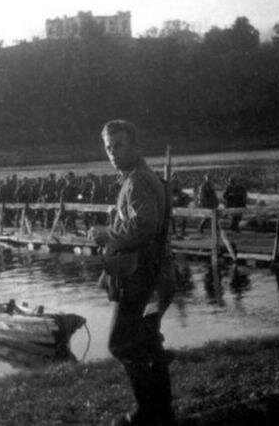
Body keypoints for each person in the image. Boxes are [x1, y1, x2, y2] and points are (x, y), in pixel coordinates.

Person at [89, 120, 175, 426]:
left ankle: (147, 412)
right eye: (108, 148)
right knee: (148, 341)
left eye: (119, 145)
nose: (112, 153)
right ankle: (161, 413)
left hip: (141, 277)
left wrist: (106, 233)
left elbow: (143, 225)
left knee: (121, 343)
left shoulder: (137, 181)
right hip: (154, 274)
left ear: (134, 145)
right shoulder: (138, 177)